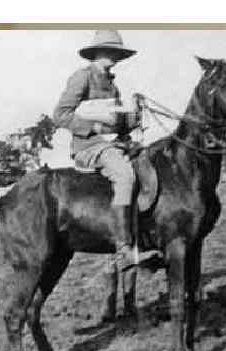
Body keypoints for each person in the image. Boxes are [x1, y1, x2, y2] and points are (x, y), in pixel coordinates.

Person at [52, 29, 157, 272]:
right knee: (125, 175)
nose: (115, 56)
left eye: (117, 53)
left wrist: (133, 118)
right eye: (111, 51)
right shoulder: (82, 78)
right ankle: (124, 249)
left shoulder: (113, 86)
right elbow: (60, 115)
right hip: (89, 147)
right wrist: (93, 127)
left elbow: (115, 123)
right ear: (97, 53)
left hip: (112, 144)